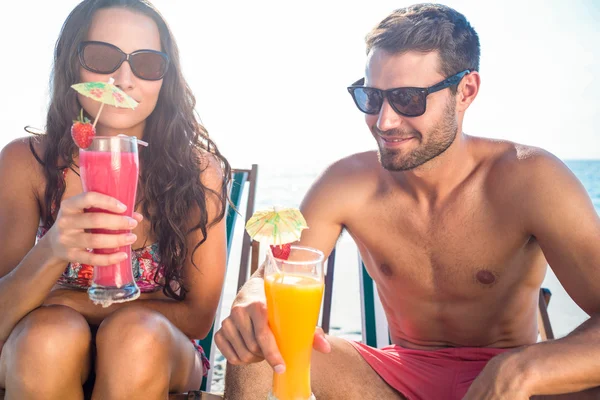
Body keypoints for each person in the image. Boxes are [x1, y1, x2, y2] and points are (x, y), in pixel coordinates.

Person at [215, 3, 600, 400]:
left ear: (465, 91)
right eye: (372, 97)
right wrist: (253, 303)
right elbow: (280, 274)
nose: (384, 121)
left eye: (408, 99)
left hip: (509, 384)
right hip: (395, 380)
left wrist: (521, 369)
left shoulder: (530, 179)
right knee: (263, 337)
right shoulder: (346, 183)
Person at [0, 0, 231, 398]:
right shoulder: (27, 163)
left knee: (133, 337)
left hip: (157, 349)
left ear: (165, 77)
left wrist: (65, 300)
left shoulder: (197, 172)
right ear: (72, 63)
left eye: (147, 63)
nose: (124, 79)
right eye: (103, 57)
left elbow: (196, 318)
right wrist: (53, 248)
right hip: (36, 349)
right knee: (46, 337)